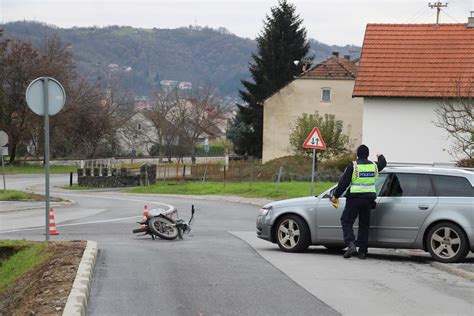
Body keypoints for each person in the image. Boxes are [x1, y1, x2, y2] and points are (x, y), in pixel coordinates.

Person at [331, 145, 386, 260]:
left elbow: (344, 183)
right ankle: (362, 252)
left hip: (354, 199)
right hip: (368, 200)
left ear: (358, 154)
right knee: (364, 225)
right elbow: (383, 163)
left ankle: (351, 244)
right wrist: (380, 155)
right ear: (367, 154)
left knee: (346, 220)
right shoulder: (374, 166)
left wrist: (335, 195)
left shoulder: (353, 166)